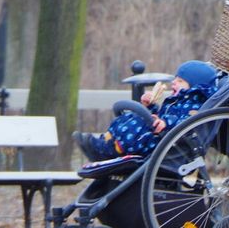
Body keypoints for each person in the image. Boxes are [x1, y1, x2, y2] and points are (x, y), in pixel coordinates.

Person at [74, 61, 221, 161]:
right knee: (131, 117)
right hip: (160, 134)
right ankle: (105, 142)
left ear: (195, 87)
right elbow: (160, 116)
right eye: (175, 79)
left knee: (136, 127)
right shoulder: (177, 101)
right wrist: (150, 106)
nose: (173, 83)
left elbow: (186, 123)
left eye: (180, 81)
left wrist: (166, 122)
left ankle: (109, 150)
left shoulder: (194, 107)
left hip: (166, 144)